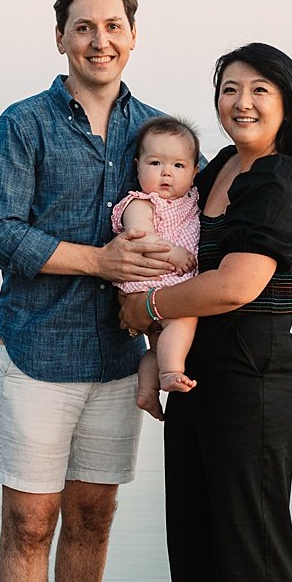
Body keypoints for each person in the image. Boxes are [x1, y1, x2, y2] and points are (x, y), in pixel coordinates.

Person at [0, 0, 190, 582]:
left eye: (114, 26)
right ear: (61, 36)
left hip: (116, 357)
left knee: (94, 515)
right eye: (85, 27)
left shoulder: (159, 133)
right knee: (30, 520)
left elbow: (210, 205)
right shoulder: (23, 124)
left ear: (133, 36)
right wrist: (97, 261)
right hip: (35, 349)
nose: (101, 40)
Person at [121, 43, 292, 582]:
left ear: (288, 102)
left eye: (259, 89)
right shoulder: (218, 170)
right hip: (199, 375)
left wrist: (148, 310)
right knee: (195, 526)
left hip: (254, 376)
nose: (240, 101)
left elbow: (237, 285)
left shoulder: (280, 181)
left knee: (251, 537)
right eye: (228, 88)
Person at [111, 116, 202, 420]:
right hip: (152, 280)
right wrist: (174, 254)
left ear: (194, 172)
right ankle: (171, 373)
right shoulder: (140, 203)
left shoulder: (192, 201)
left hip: (171, 282)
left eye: (178, 166)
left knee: (157, 347)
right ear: (137, 166)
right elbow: (142, 240)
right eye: (155, 163)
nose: (166, 172)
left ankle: (147, 392)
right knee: (183, 320)